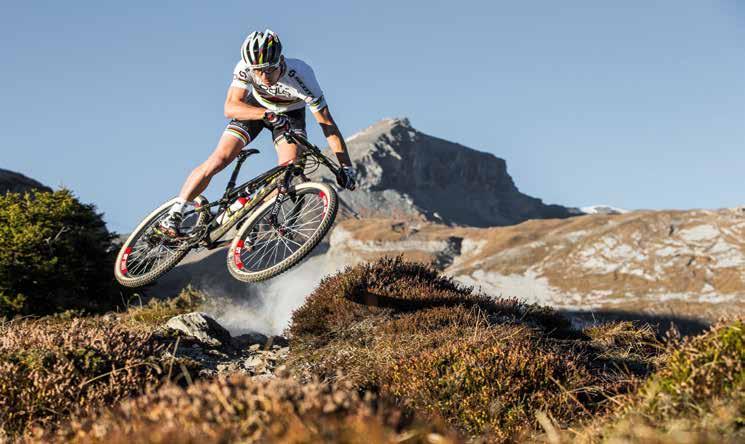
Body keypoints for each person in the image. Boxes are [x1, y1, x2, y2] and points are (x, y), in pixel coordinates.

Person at [157, 29, 356, 238]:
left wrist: (346, 167)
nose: (263, 76)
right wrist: (264, 113)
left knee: (288, 170)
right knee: (219, 159)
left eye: (269, 69)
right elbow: (230, 107)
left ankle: (248, 215)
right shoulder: (245, 66)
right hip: (255, 109)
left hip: (291, 115)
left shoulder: (302, 75)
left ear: (280, 61)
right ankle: (175, 213)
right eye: (258, 71)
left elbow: (328, 125)